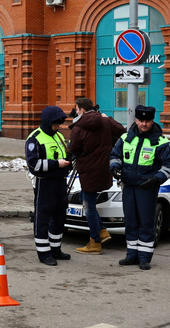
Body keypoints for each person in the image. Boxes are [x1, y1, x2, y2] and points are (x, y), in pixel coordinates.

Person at [109, 105, 170, 270]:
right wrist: (115, 168)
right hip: (128, 186)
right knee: (131, 221)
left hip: (147, 188)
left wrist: (156, 180)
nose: (144, 124)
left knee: (146, 222)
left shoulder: (161, 141)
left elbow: (169, 165)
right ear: (136, 120)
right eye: (141, 120)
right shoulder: (125, 138)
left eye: (147, 121)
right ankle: (131, 255)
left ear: (152, 121)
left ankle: (145, 257)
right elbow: (114, 155)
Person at [68, 98, 126, 254]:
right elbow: (122, 131)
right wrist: (109, 118)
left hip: (87, 170)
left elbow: (73, 149)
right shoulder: (105, 121)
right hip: (103, 168)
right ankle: (101, 231)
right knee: (85, 199)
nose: (76, 112)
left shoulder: (79, 127)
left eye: (77, 109)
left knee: (88, 206)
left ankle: (95, 241)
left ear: (82, 111)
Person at [26, 106, 72, 266]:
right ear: (47, 122)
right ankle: (44, 253)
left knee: (59, 216)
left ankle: (55, 249)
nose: (58, 127)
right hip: (44, 183)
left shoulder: (59, 136)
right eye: (55, 124)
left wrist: (68, 161)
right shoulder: (35, 138)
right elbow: (33, 164)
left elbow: (63, 155)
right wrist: (57, 164)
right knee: (43, 217)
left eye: (59, 124)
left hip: (60, 182)